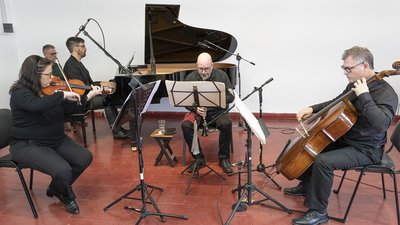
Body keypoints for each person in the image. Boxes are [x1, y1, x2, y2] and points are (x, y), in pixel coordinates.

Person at [284, 46, 398, 225]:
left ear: (365, 65)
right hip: (347, 139)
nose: (345, 73)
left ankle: (318, 213)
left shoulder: (386, 93)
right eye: (344, 68)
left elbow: (382, 123)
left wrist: (365, 96)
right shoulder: (354, 84)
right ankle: (307, 185)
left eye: (348, 68)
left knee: (323, 161)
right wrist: (312, 108)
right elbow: (336, 102)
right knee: (313, 145)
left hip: (367, 148)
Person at [9, 55, 103, 214]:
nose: (52, 78)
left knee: (84, 158)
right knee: (63, 170)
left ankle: (56, 187)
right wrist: (61, 95)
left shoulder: (49, 89)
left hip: (54, 139)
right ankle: (67, 196)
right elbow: (36, 106)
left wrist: (87, 97)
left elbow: (66, 111)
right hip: (27, 144)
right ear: (34, 75)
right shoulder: (19, 93)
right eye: (48, 74)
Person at [63, 37, 130, 139]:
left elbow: (88, 83)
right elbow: (81, 88)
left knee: (109, 97)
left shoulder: (76, 63)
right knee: (108, 100)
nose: (85, 49)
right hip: (82, 100)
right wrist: (102, 87)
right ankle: (116, 131)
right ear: (75, 49)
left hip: (87, 94)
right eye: (83, 46)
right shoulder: (71, 66)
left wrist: (104, 83)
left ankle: (118, 128)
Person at [181, 52, 234, 174]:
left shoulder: (222, 76)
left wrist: (217, 98)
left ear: (212, 65)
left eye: (207, 69)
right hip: (198, 113)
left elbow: (231, 97)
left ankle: (223, 159)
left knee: (226, 124)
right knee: (186, 125)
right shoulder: (190, 78)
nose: (204, 72)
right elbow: (184, 101)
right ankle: (199, 158)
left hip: (217, 112)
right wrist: (195, 109)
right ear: (196, 66)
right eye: (201, 69)